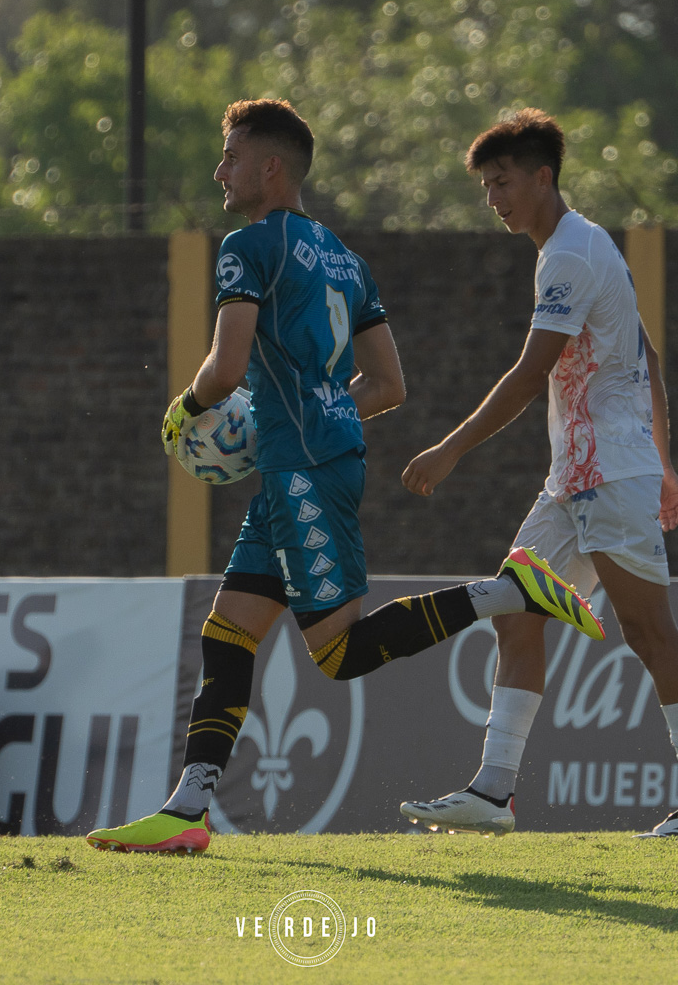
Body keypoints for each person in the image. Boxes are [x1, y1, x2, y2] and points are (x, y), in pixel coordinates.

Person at [85, 99, 604, 855]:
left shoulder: (247, 245)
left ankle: (511, 590)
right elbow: (388, 385)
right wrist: (318, 416)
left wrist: (183, 412)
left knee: (336, 654)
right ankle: (189, 808)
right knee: (229, 631)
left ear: (270, 168)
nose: (219, 171)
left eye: (230, 157)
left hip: (302, 474)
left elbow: (225, 369)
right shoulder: (344, 259)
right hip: (304, 464)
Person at [397, 110, 678, 838]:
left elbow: (530, 375)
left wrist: (450, 448)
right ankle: (493, 792)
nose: (494, 199)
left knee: (649, 633)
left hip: (610, 477)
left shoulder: (571, 255)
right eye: (487, 186)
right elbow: (647, 355)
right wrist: (668, 461)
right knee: (520, 615)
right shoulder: (576, 247)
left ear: (542, 177)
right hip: (576, 481)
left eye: (503, 182)